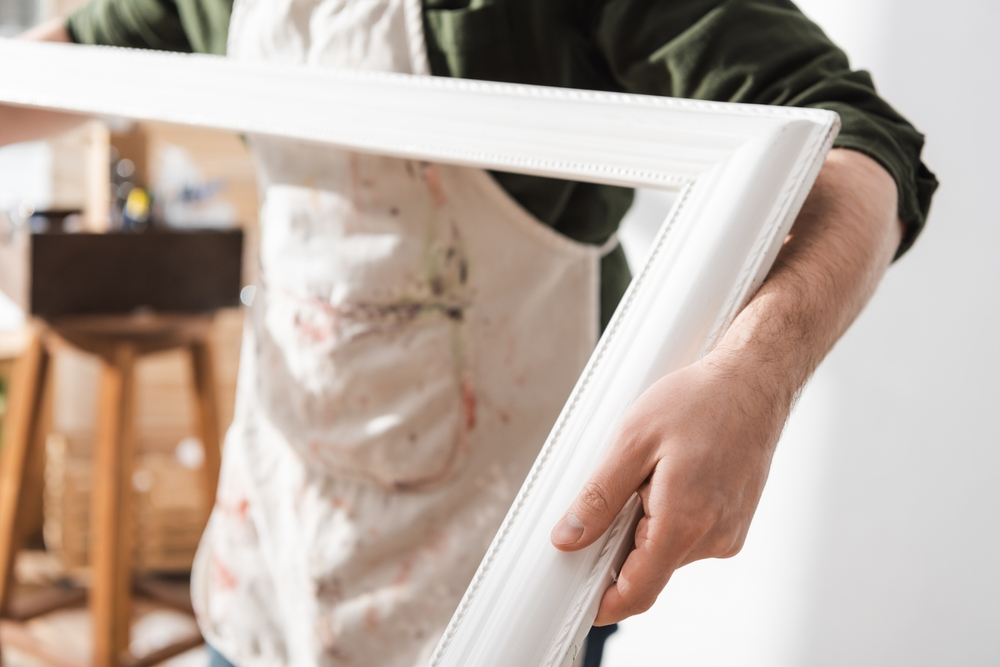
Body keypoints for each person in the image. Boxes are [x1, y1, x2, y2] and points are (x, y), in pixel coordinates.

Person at [1, 1, 937, 665]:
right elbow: (78, 53)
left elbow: (859, 138)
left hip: (498, 552)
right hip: (276, 532)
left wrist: (755, 374)